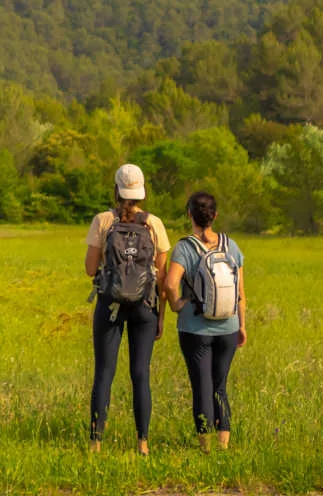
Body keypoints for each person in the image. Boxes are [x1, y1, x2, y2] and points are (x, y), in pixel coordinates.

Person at [83, 163, 171, 454]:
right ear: (142, 192)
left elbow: (89, 269)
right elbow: (161, 276)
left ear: (116, 190)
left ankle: (96, 442)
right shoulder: (154, 224)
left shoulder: (102, 221)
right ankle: (142, 443)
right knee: (140, 374)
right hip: (145, 307)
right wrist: (160, 317)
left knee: (104, 373)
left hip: (110, 304)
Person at [163, 190, 248, 452]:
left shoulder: (185, 248)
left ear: (189, 214)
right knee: (219, 386)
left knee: (202, 386)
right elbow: (241, 294)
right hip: (229, 328)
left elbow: (169, 282)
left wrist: (177, 304)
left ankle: (206, 447)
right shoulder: (230, 245)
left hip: (194, 328)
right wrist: (242, 326)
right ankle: (223, 446)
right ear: (215, 215)